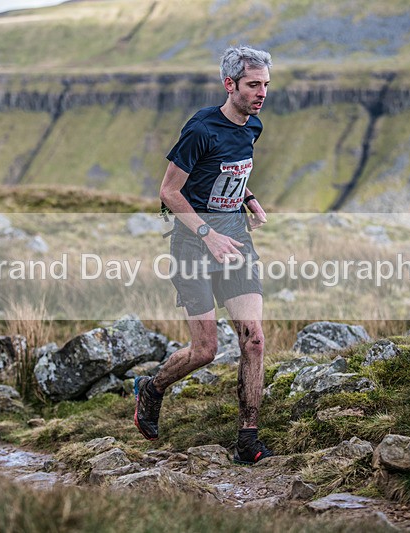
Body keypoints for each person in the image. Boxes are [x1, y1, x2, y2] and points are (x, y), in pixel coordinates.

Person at [134, 45, 273, 465]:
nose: (261, 93)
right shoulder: (201, 128)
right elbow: (169, 191)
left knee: (254, 340)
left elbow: (227, 172)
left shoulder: (253, 126)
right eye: (253, 85)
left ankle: (248, 439)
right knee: (205, 350)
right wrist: (207, 233)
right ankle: (152, 388)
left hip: (236, 241)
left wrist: (248, 198)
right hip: (193, 244)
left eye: (266, 85)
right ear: (229, 84)